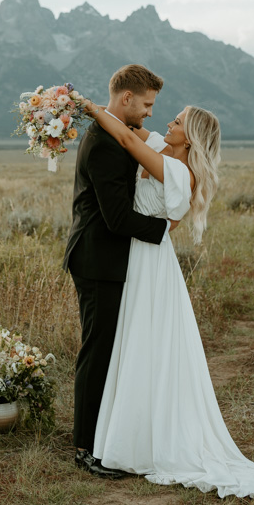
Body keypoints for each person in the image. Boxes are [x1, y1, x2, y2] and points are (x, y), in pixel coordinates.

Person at [83, 100, 254, 498]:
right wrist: (93, 108)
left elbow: (125, 140)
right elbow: (127, 129)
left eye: (178, 121)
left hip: (149, 261)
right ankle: (127, 433)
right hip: (137, 255)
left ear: (192, 136)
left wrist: (85, 106)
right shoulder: (159, 146)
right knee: (135, 344)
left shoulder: (177, 170)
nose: (168, 120)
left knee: (144, 344)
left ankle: (142, 442)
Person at [63, 64, 176, 479]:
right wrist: (165, 229)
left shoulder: (109, 134)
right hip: (98, 260)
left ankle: (101, 436)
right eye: (146, 104)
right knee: (97, 351)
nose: (149, 112)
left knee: (108, 349)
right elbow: (116, 219)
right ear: (126, 98)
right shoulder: (106, 146)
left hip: (104, 258)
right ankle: (85, 448)